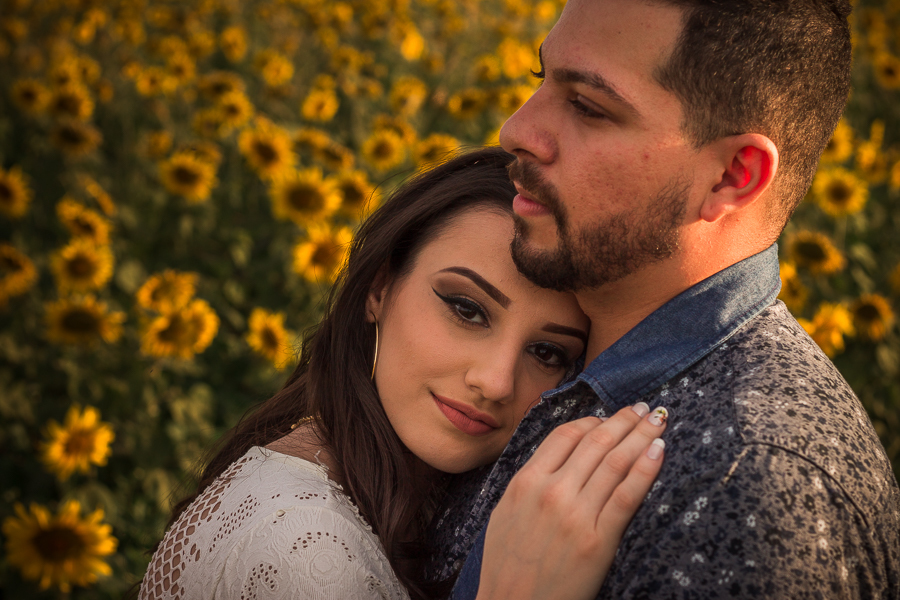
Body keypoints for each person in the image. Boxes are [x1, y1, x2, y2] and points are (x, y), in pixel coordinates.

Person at [431, 1, 900, 598]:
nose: (517, 131)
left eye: (587, 106)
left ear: (733, 175)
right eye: (539, 78)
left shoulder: (747, 485)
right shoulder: (558, 342)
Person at [138, 147, 670, 600]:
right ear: (379, 288)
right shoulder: (305, 548)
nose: (496, 381)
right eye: (467, 309)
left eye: (548, 353)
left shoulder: (360, 489)